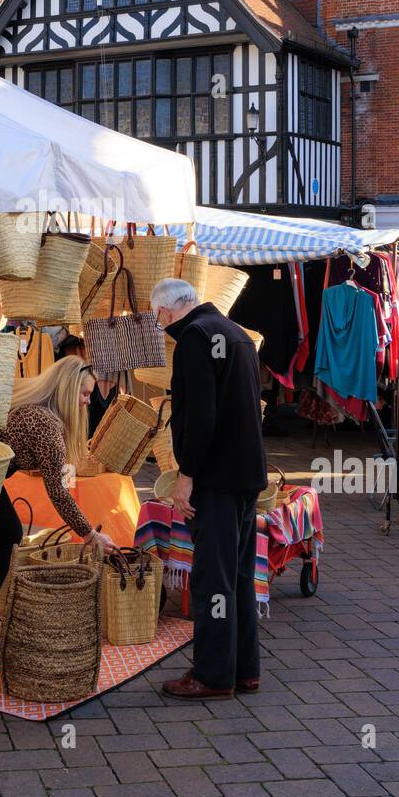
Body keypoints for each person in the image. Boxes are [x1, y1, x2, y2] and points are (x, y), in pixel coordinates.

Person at [150, 277, 267, 699]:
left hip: (216, 478)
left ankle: (214, 675)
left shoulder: (196, 339)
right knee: (237, 576)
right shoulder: (235, 333)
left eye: (158, 316)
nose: (161, 324)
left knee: (212, 580)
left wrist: (186, 475)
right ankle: (244, 669)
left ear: (165, 312)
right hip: (245, 475)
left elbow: (200, 417)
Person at [0, 357, 117, 639]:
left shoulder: (38, 411)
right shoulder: (46, 424)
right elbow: (57, 491)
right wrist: (90, 534)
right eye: (84, 394)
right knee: (8, 532)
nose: (87, 402)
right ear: (67, 391)